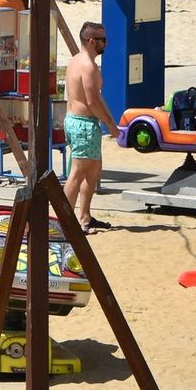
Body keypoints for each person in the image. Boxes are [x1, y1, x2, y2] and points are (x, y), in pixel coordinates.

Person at [63, 21, 116, 234]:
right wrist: (111, 125)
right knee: (77, 173)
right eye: (103, 40)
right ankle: (63, 222)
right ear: (92, 41)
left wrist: (110, 121)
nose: (106, 43)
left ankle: (84, 217)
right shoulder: (88, 66)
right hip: (83, 125)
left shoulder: (77, 60)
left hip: (81, 122)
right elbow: (92, 101)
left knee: (93, 171)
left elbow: (97, 99)